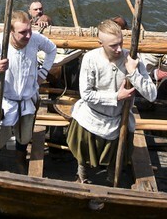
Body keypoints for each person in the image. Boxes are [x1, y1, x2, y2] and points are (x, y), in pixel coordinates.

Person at [67, 19, 157, 184]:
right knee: (83, 155)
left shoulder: (132, 59)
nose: (119, 49)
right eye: (113, 46)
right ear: (100, 43)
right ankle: (82, 177)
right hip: (91, 118)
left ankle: (111, 181)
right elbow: (86, 94)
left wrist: (133, 74)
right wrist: (117, 96)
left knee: (116, 159)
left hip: (118, 121)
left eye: (121, 43)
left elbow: (152, 95)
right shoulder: (90, 59)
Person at [0, 10, 57, 173]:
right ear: (10, 32)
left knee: (25, 135)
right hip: (3, 100)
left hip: (27, 99)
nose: (28, 35)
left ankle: (20, 159)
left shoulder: (34, 38)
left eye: (29, 30)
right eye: (22, 32)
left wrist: (42, 73)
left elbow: (52, 49)